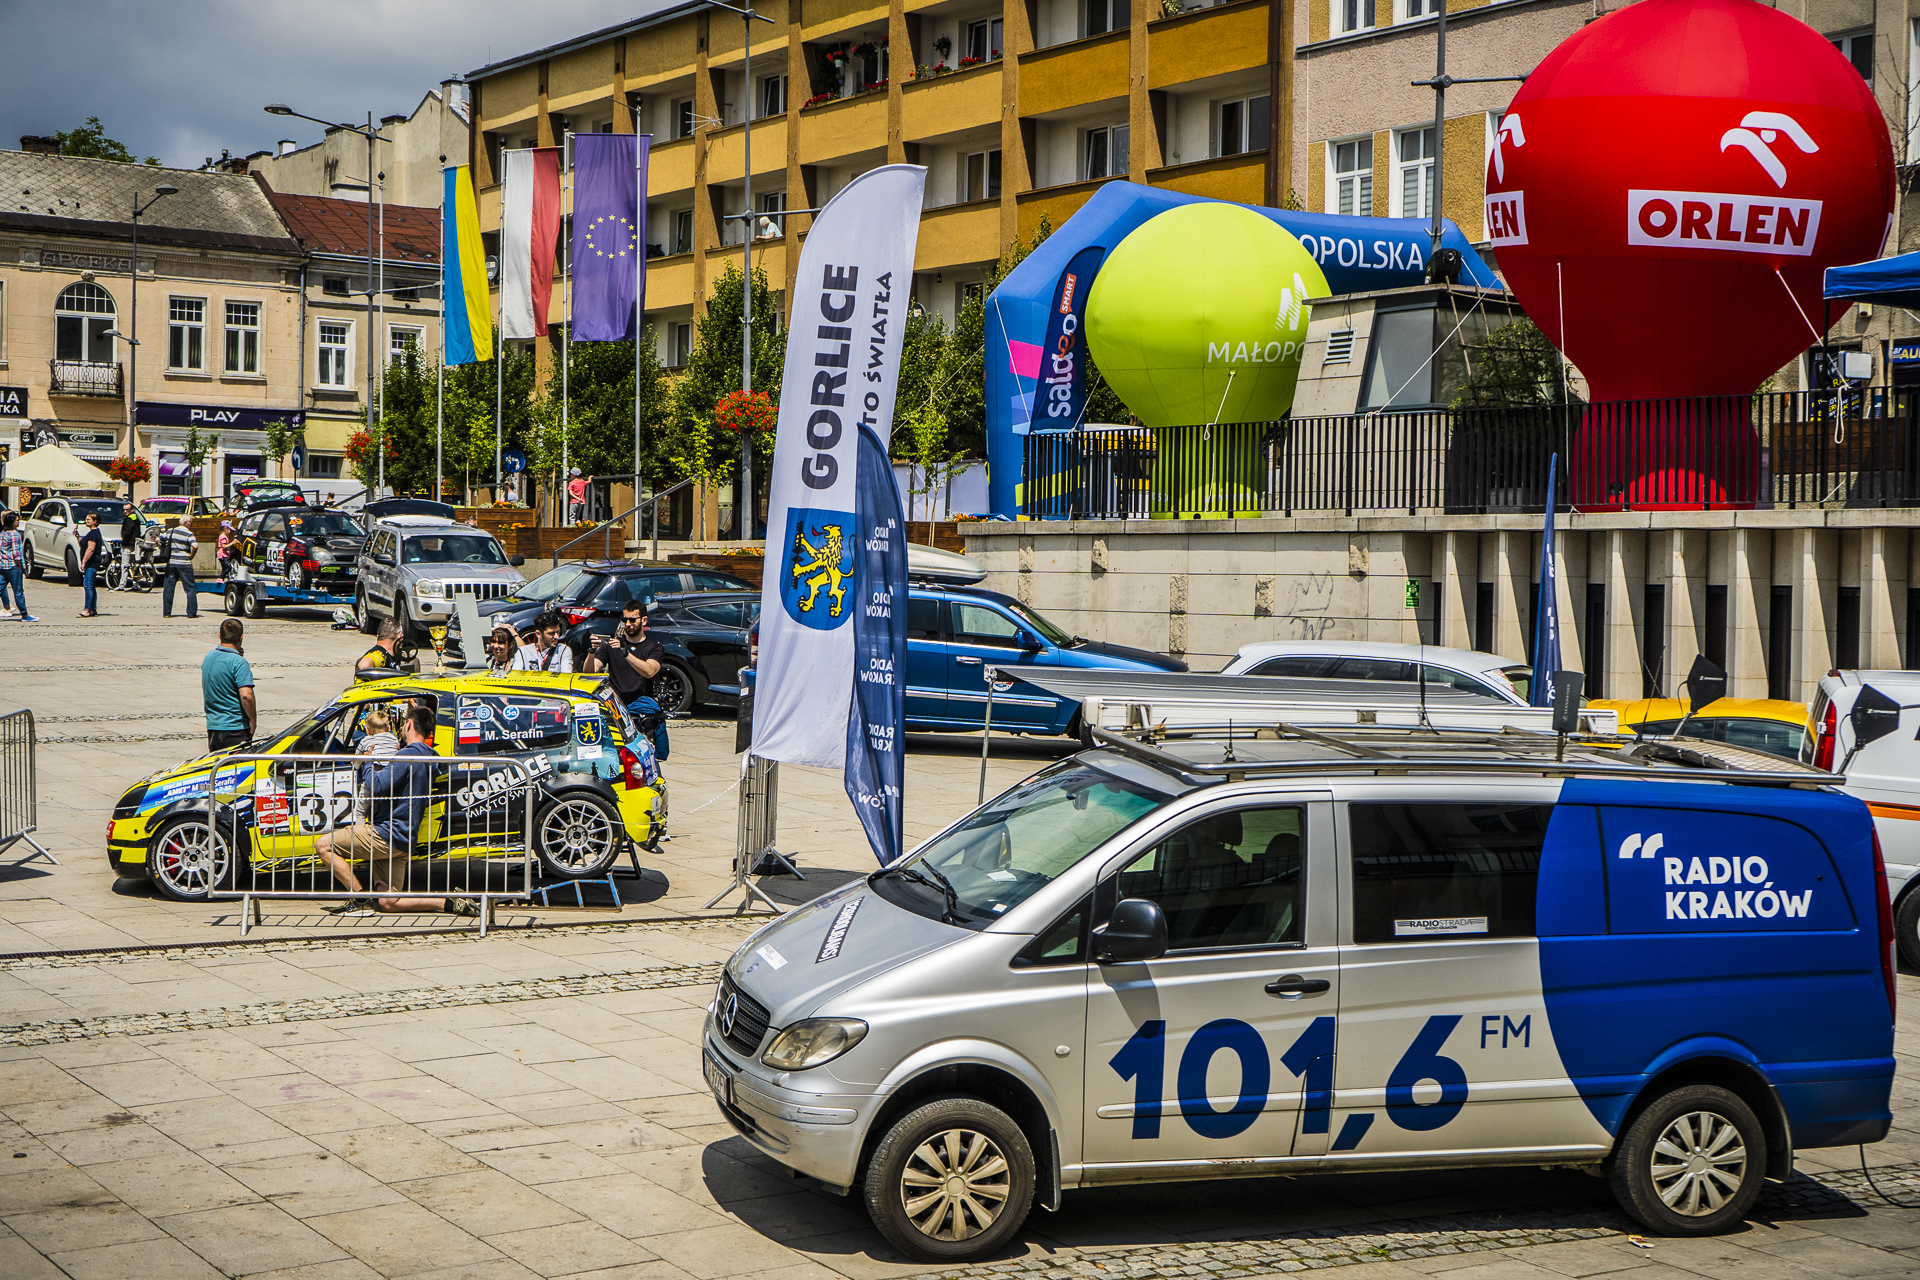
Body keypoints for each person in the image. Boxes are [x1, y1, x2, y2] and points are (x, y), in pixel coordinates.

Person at [313, 703, 476, 916]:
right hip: (403, 839)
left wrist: (368, 762)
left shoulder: (408, 755)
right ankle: (449, 903)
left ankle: (360, 899)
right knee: (389, 902)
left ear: (408, 724)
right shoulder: (428, 756)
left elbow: (378, 785)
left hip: (386, 833)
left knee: (323, 845)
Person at [586, 600, 670, 760]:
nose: (628, 624)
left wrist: (625, 654)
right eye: (625, 620)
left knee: (647, 761)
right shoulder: (612, 645)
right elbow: (590, 672)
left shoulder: (654, 647)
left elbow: (649, 671)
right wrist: (591, 652)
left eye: (633, 620)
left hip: (642, 715)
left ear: (644, 620)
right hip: (617, 712)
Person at [202, 618, 256, 753]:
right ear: (241, 637)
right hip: (235, 728)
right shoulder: (238, 663)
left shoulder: (209, 657)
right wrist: (253, 720)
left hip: (214, 726)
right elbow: (246, 695)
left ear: (219, 635)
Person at [161, 517, 199, 619]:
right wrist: (191, 555)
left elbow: (158, 539)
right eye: (191, 523)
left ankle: (167, 613)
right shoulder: (189, 533)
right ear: (186, 523)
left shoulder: (170, 531)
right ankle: (191, 613)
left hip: (171, 563)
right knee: (190, 589)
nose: (191, 525)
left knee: (169, 588)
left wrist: (163, 549)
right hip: (185, 564)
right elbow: (195, 546)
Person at [0, 511, 28, 621]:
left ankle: (9, 607)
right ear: (12, 522)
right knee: (18, 591)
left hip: (2, 566)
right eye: (17, 520)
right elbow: (16, 554)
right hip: (13, 566)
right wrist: (20, 567)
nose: (18, 522)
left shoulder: (2, 534)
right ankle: (24, 614)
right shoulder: (15, 534)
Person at [76, 512, 104, 617]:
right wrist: (78, 537)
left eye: (89, 519)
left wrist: (84, 561)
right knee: (91, 585)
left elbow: (91, 549)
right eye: (86, 519)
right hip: (92, 562)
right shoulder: (92, 533)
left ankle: (87, 609)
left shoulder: (93, 533)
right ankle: (92, 609)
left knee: (88, 585)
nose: (86, 521)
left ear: (95, 522)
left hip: (92, 562)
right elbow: (84, 544)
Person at [118, 502, 142, 581]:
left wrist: (123, 543)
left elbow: (127, 533)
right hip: (135, 544)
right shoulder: (136, 519)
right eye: (124, 510)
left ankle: (122, 584)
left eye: (127, 510)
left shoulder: (128, 520)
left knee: (125, 565)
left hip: (128, 545)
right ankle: (136, 584)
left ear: (132, 510)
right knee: (133, 565)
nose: (125, 511)